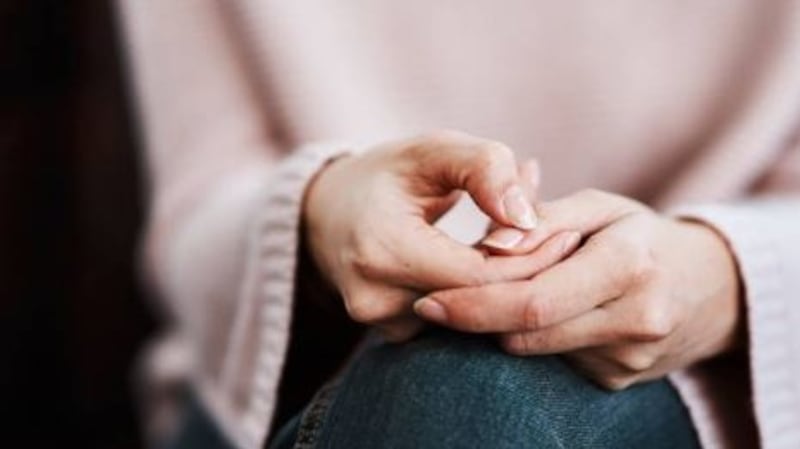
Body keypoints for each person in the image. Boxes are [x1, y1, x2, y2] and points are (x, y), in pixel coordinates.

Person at [118, 1, 800, 448]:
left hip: (732, 382)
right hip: (275, 386)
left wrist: (725, 278)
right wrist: (324, 212)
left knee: (465, 392)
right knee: (458, 391)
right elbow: (200, 197)